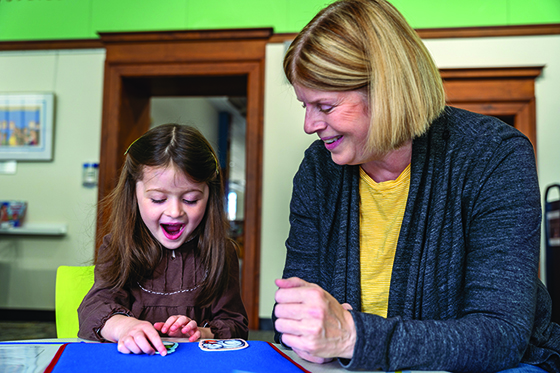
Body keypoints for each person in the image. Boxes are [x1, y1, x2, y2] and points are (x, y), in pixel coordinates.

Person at [273, 0, 560, 372]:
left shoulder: (495, 155)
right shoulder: (317, 170)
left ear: (386, 90)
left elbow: (501, 334)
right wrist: (306, 334)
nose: (309, 125)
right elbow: (295, 318)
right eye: (304, 106)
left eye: (325, 107)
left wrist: (353, 337)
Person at [78, 124, 248, 356]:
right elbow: (93, 309)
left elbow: (235, 324)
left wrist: (202, 333)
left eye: (190, 199)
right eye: (158, 199)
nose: (175, 212)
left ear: (209, 196)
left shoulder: (221, 251)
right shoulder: (118, 247)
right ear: (134, 194)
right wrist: (125, 326)